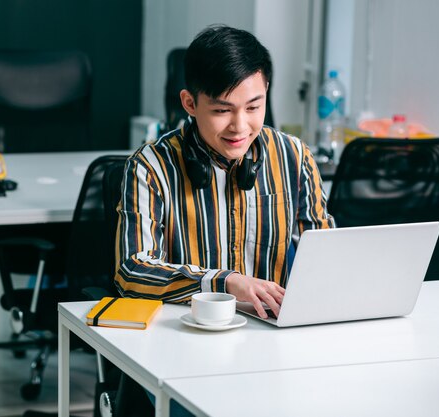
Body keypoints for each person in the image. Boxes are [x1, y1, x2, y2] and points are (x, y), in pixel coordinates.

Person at [114, 25, 335, 320]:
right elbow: (131, 269)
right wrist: (224, 282)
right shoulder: (150, 166)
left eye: (253, 107)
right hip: (186, 332)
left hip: (271, 331)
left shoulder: (294, 157)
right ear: (189, 103)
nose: (240, 126)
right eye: (222, 111)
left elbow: (326, 255)